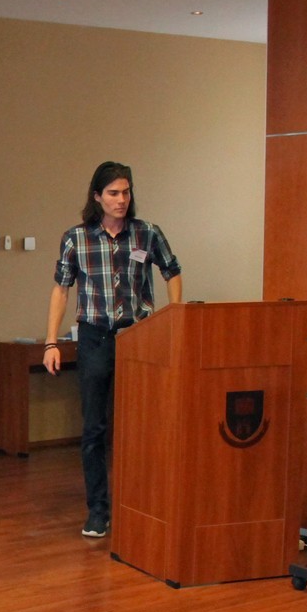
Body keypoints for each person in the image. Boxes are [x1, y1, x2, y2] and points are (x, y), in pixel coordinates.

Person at [42, 160, 183, 538]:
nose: (122, 200)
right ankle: (98, 510)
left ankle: (143, 502)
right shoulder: (77, 238)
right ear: (97, 197)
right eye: (113, 193)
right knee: (94, 427)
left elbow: (172, 271)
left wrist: (174, 319)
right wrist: (51, 342)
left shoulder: (146, 233)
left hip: (138, 337)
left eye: (126, 192)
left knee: (143, 423)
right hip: (94, 338)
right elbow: (61, 289)